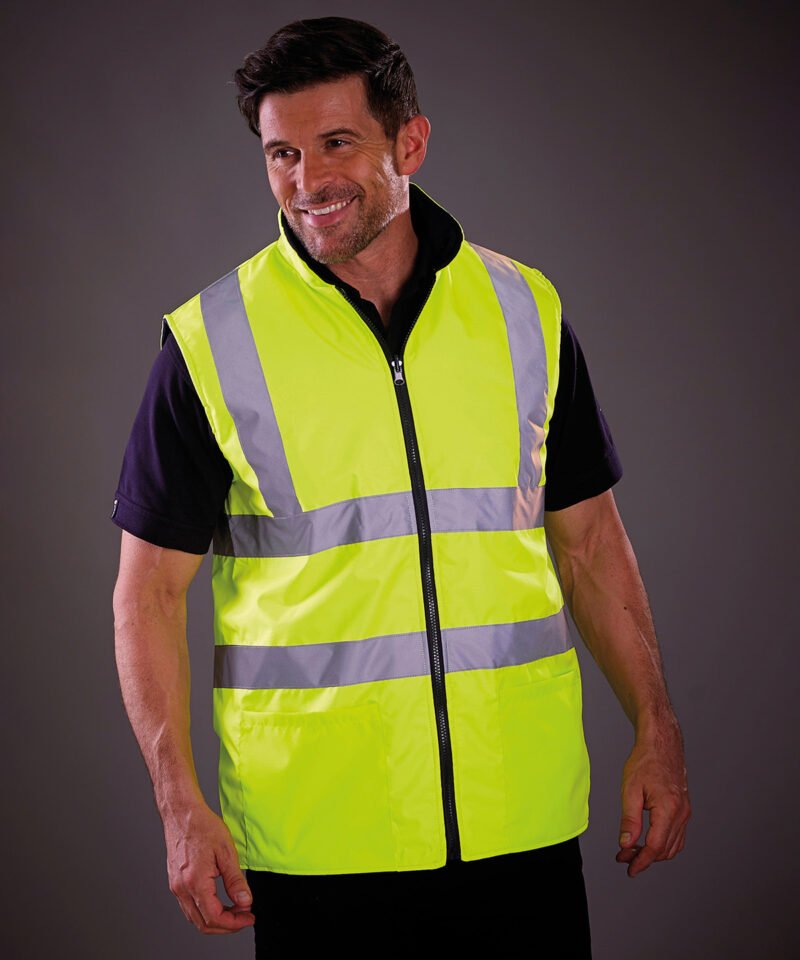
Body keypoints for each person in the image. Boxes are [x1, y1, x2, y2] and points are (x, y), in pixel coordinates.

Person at [111, 16, 691, 957]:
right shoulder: (210, 342)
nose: (307, 180)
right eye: (282, 153)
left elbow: (589, 543)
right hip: (318, 838)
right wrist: (179, 803)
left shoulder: (523, 310)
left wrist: (656, 727)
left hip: (519, 821)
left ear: (409, 142)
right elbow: (148, 595)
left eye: (337, 143)